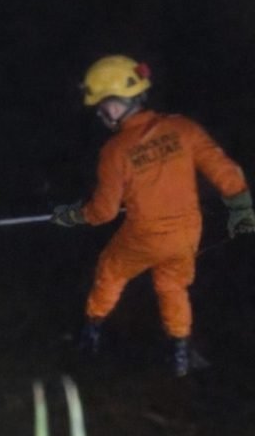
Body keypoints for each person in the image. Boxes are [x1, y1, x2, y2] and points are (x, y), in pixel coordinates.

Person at [51, 54, 255, 376]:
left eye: (103, 108)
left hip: (145, 235)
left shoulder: (115, 151)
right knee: (173, 286)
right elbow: (226, 172)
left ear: (116, 105)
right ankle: (181, 355)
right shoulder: (182, 128)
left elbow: (103, 212)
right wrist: (242, 209)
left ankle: (89, 334)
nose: (102, 115)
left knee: (111, 270)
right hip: (187, 234)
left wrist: (72, 216)